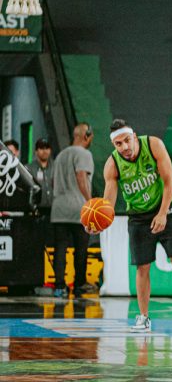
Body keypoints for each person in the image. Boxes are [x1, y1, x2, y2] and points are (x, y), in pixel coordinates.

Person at [98, 119, 172, 333]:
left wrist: (163, 213)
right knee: (142, 267)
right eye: (118, 144)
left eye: (127, 140)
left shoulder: (154, 145)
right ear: (114, 145)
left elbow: (169, 181)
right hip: (138, 216)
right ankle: (143, 317)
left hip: (165, 207)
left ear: (134, 137)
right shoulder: (112, 164)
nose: (124, 147)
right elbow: (108, 204)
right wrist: (98, 222)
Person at [50, 124, 93, 298]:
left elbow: (53, 181)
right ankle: (79, 285)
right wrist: (90, 201)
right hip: (78, 208)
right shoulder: (84, 154)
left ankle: (59, 286)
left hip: (59, 208)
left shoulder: (60, 155)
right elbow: (81, 176)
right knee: (81, 249)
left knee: (60, 249)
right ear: (86, 136)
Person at [27, 138, 55, 219]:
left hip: (54, 209)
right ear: (36, 151)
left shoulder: (56, 166)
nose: (45, 151)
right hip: (36, 210)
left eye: (47, 148)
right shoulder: (29, 168)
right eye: (41, 148)